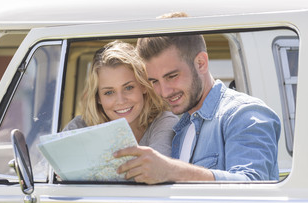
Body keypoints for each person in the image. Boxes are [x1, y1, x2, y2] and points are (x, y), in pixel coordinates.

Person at [114, 14, 281, 184]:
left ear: (201, 63)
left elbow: (254, 186)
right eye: (155, 81)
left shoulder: (244, 114)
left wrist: (172, 170)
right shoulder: (182, 127)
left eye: (172, 76)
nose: (164, 92)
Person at [64, 40, 179, 157]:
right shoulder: (79, 128)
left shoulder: (164, 122)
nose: (121, 100)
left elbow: (157, 169)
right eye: (109, 92)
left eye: (128, 88)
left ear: (143, 86)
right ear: (98, 97)